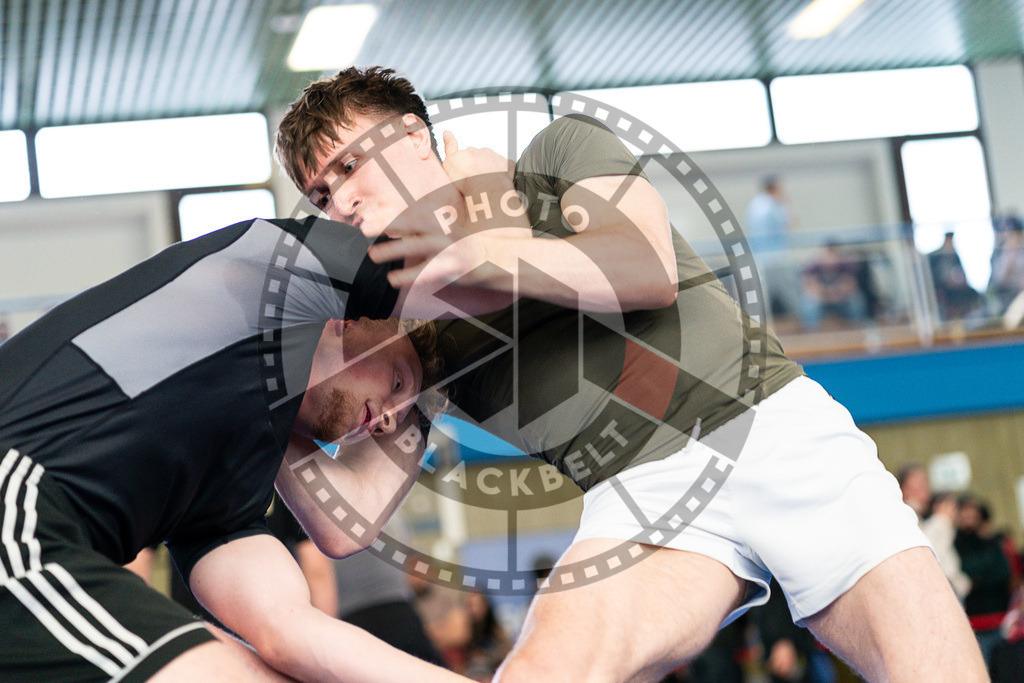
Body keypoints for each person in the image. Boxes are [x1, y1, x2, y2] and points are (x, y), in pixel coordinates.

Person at [276, 66, 986, 681]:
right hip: (642, 498)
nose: (338, 201)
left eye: (347, 167)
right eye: (318, 195)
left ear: (412, 137)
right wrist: (255, 407)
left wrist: (473, 249)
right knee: (540, 672)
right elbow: (353, 516)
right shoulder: (419, 339)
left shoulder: (557, 152)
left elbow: (647, 268)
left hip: (764, 425)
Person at [0, 216, 467, 681]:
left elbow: (293, 626)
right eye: (397, 381)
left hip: (49, 543)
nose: (388, 419)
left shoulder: (233, 492)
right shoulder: (265, 284)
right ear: (351, 318)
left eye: (401, 418)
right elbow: (463, 271)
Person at [897, 463, 972, 601]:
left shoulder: (925, 516)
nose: (925, 490)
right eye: (918, 485)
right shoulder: (904, 516)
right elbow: (928, 551)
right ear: (904, 489)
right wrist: (942, 519)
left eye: (925, 484)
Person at [745, 175, 798, 318]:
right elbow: (790, 223)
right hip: (776, 258)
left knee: (763, 296)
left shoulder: (755, 205)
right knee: (790, 292)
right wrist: (787, 203)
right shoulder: (773, 205)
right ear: (774, 188)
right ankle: (804, 324)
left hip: (760, 258)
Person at [798, 240, 868, 330]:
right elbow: (808, 287)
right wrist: (825, 294)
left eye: (834, 253)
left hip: (841, 298)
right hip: (821, 299)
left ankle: (859, 329)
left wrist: (838, 293)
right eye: (828, 253)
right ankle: (812, 331)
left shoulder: (845, 265)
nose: (831, 257)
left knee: (856, 300)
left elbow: (850, 285)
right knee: (809, 303)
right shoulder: (813, 266)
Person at [929, 231, 982, 321]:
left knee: (971, 292)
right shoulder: (935, 256)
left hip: (954, 287)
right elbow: (933, 278)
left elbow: (961, 272)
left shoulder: (954, 255)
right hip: (942, 289)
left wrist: (960, 281)